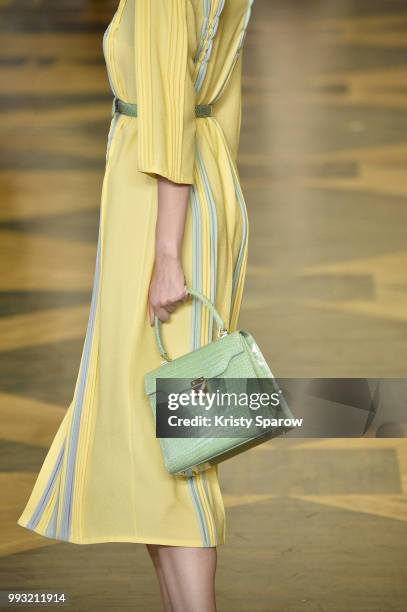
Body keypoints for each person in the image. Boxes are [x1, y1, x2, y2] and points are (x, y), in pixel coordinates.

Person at [17, 0, 254, 609]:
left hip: (157, 208)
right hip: (201, 187)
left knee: (181, 441)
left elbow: (169, 113)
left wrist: (168, 253)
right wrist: (214, 209)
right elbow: (219, 98)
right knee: (170, 429)